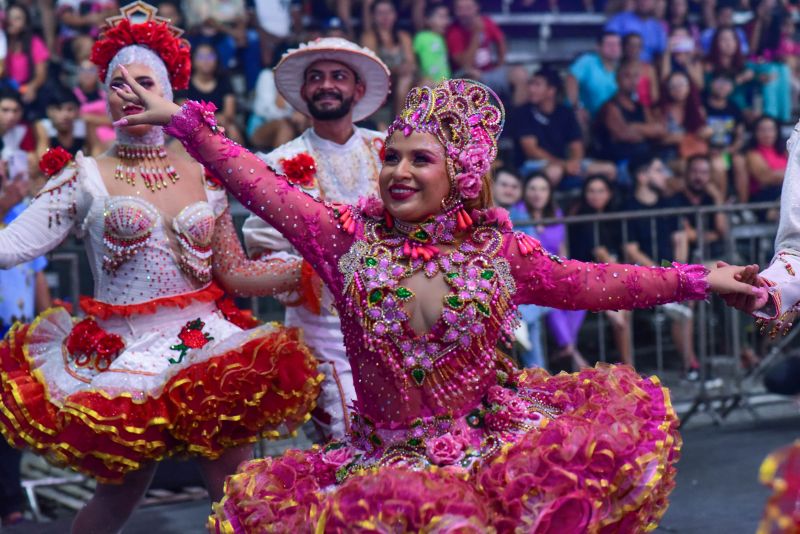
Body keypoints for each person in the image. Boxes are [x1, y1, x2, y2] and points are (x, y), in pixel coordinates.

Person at [116, 72, 762, 531]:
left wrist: (701, 280)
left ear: (462, 174)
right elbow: (259, 183)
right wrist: (180, 122)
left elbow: (598, 282)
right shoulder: (345, 240)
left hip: (493, 459)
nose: (398, 171)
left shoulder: (500, 253)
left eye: (419, 159)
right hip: (381, 468)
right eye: (391, 157)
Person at [0, 5, 322, 533]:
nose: (130, 92)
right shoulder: (84, 177)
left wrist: (316, 271)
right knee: (117, 497)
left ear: (170, 91)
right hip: (124, 356)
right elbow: (12, 246)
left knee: (236, 491)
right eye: (117, 83)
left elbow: (235, 274)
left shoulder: (204, 171)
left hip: (204, 344)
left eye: (144, 81)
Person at [242, 37, 390, 442]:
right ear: (304, 92)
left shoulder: (390, 151)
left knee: (405, 442)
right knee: (345, 439)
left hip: (398, 324)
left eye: (338, 77)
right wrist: (314, 274)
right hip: (322, 330)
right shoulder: (278, 164)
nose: (327, 85)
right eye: (316, 78)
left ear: (357, 90)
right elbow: (262, 249)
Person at [0, 153, 51, 528]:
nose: (6, 186)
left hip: (15, 332)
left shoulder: (19, 215)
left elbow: (37, 274)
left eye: (5, 178)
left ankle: (11, 499)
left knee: (10, 420)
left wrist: (47, 325)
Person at [623, 153, 701, 380]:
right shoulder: (628, 207)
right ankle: (629, 375)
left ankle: (691, 364)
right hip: (642, 272)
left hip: (672, 271)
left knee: (688, 299)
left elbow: (681, 239)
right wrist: (660, 272)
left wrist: (676, 270)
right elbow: (632, 250)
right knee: (681, 305)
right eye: (658, 170)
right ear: (642, 176)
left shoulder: (670, 203)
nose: (665, 175)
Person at [512, 172, 590, 370]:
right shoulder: (518, 213)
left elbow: (562, 251)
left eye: (543, 189)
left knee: (582, 294)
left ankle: (566, 348)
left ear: (549, 193)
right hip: (534, 276)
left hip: (554, 271)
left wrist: (565, 273)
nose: (538, 194)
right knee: (551, 300)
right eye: (533, 188)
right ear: (525, 191)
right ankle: (574, 356)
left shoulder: (556, 214)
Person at [511, 68, 616, 188]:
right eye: (531, 84)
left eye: (537, 85)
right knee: (554, 172)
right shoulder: (523, 113)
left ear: (551, 90)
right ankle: (550, 206)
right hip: (533, 165)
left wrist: (574, 163)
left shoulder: (565, 113)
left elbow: (576, 145)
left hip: (564, 163)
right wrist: (563, 164)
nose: (531, 89)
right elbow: (531, 150)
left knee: (608, 169)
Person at [569, 174, 633, 366]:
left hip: (609, 276)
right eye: (591, 191)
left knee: (625, 307)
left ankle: (627, 364)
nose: (595, 196)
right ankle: (628, 366)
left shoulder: (610, 216)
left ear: (609, 194)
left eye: (600, 191)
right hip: (586, 278)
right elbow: (600, 253)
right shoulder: (583, 217)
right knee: (622, 306)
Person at [594, 59, 666, 168]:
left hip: (646, 158)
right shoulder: (610, 107)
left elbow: (659, 131)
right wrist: (647, 132)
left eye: (635, 76)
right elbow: (624, 135)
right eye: (627, 76)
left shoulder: (640, 106)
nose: (632, 81)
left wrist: (636, 127)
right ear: (617, 79)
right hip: (621, 162)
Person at [177, 42, 243, 145]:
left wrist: (210, 120)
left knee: (232, 129)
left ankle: (240, 159)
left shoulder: (224, 80)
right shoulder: (184, 81)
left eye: (210, 56)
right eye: (201, 56)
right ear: (193, 61)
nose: (206, 60)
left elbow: (229, 114)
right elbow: (184, 111)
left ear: (216, 60)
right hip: (192, 126)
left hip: (219, 126)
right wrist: (212, 118)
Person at [361, 0, 416, 124]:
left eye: (388, 12)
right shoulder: (369, 37)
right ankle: (399, 123)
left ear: (395, 15)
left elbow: (411, 63)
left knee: (424, 80)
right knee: (405, 80)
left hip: (403, 80)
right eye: (380, 13)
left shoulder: (404, 36)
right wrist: (396, 70)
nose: (385, 17)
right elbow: (373, 67)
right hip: (383, 83)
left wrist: (406, 68)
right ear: (373, 17)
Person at [704, 73, 746, 200]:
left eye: (727, 84)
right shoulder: (702, 106)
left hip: (728, 151)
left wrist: (731, 149)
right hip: (708, 152)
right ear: (712, 84)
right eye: (719, 82)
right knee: (718, 164)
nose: (723, 87)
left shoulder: (734, 107)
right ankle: (721, 208)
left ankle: (743, 207)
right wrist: (709, 150)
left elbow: (740, 136)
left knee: (739, 161)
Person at [566, 30, 622, 120]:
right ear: (598, 47)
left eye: (617, 45)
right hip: (586, 115)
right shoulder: (587, 61)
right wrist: (577, 107)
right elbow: (571, 79)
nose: (614, 48)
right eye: (609, 45)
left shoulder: (622, 68)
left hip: (609, 118)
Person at [34, 85, 89, 158]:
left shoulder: (83, 125)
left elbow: (97, 150)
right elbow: (42, 157)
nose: (65, 115)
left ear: (77, 111)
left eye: (70, 109)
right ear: (49, 111)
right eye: (59, 109)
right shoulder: (43, 126)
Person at [745, 115, 787, 208]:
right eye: (762, 130)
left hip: (786, 191)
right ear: (755, 133)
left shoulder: (784, 151)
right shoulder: (753, 154)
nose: (767, 133)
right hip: (765, 195)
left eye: (771, 129)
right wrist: (792, 173)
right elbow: (766, 177)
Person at [412, 2, 451, 85]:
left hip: (445, 82)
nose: (446, 21)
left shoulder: (442, 38)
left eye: (446, 17)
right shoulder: (421, 37)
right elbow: (415, 59)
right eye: (441, 17)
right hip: (428, 82)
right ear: (428, 20)